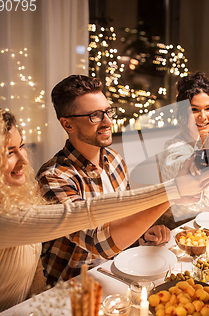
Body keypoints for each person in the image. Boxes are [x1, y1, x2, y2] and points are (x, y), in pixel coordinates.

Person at [0, 104, 209, 315]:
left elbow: (35, 274)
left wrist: (39, 306)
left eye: (21, 146)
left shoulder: (14, 197)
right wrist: (172, 190)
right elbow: (83, 215)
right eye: (9, 152)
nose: (24, 159)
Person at [37, 75, 181, 284]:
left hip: (116, 274)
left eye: (108, 111)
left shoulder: (114, 160)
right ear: (68, 125)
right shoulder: (54, 177)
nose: (107, 121)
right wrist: (174, 191)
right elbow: (98, 243)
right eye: (95, 115)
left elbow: (125, 217)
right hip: (72, 290)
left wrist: (144, 233)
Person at [159, 72, 209, 225]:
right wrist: (202, 163)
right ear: (183, 115)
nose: (203, 116)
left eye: (208, 108)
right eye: (195, 110)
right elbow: (183, 164)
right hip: (185, 229)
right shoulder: (174, 148)